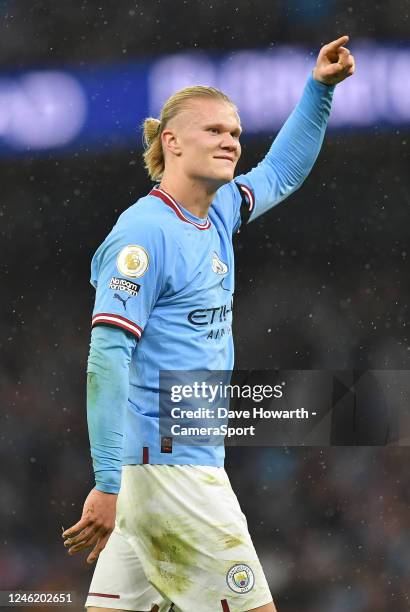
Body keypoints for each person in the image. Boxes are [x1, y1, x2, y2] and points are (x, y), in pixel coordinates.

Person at [63, 36, 355, 612]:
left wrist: (318, 91)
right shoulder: (142, 234)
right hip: (172, 472)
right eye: (214, 130)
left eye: (236, 133)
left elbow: (281, 173)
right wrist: (106, 480)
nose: (230, 141)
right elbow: (106, 360)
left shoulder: (215, 213)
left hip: (164, 472)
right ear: (170, 142)